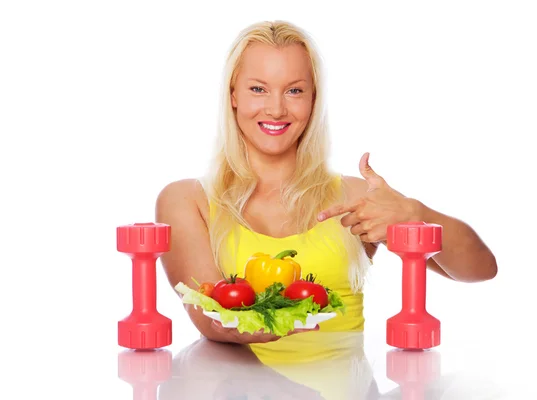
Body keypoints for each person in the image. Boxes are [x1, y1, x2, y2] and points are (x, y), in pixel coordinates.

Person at [155, 20, 497, 353]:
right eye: (258, 89)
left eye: (294, 90)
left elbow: (481, 268)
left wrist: (413, 213)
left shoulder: (355, 199)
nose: (276, 109)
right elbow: (211, 320)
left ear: (313, 99)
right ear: (233, 95)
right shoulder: (186, 200)